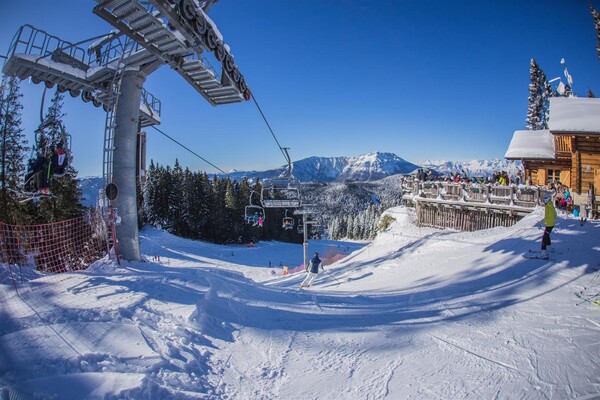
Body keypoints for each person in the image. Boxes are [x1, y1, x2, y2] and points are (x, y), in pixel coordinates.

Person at [540, 194, 557, 259]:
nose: (543, 201)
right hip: (551, 224)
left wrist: (542, 223)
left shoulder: (548, 206)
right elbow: (555, 214)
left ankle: (543, 253)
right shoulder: (551, 204)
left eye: (544, 199)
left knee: (544, 238)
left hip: (549, 224)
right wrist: (553, 220)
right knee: (547, 235)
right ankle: (549, 248)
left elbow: (547, 216)